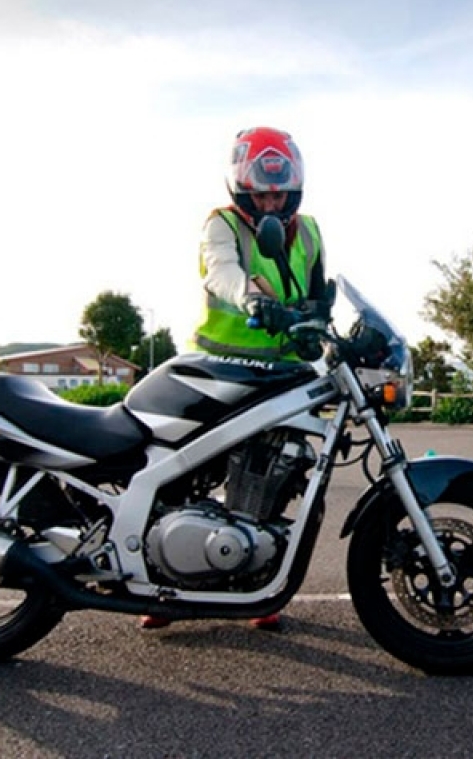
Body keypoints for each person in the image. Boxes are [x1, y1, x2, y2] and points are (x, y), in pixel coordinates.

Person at [141, 126, 328, 630]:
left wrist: (319, 321)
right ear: (242, 190)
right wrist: (249, 296)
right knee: (181, 476)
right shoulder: (220, 224)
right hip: (219, 367)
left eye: (280, 192)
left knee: (276, 476)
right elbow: (220, 270)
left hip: (282, 374)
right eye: (262, 192)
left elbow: (314, 294)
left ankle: (259, 587)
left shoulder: (309, 231)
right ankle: (160, 589)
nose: (271, 201)